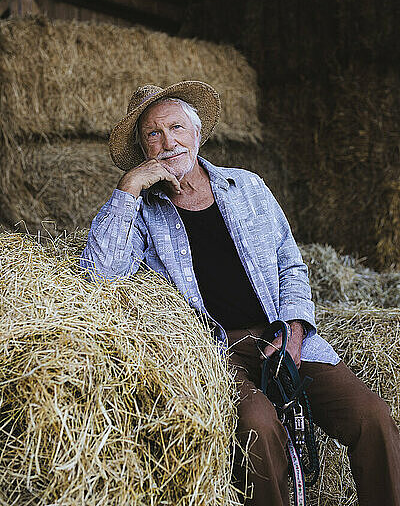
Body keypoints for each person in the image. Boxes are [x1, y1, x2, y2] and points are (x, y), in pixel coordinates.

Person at [80, 80, 400, 506]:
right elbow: (98, 274)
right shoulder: (142, 213)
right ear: (144, 151)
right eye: (153, 135)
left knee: (373, 417)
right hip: (217, 354)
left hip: (282, 336)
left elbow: (291, 262)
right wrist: (128, 188)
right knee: (258, 427)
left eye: (176, 127)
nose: (168, 141)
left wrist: (295, 333)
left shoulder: (246, 187)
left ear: (197, 134)